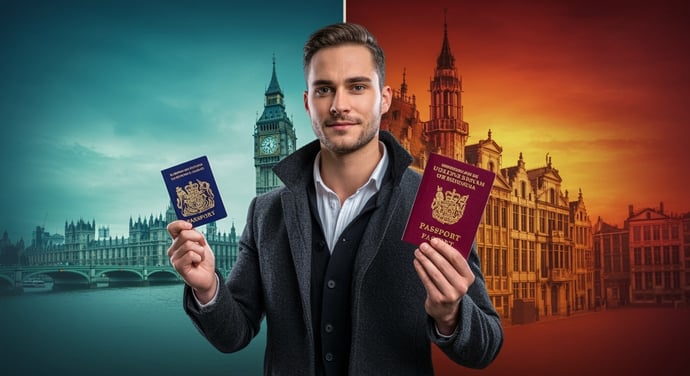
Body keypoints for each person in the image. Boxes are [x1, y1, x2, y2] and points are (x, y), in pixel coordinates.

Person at [167, 22, 503, 375]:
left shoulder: (438, 198)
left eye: (357, 87)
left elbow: (486, 347)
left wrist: (452, 315)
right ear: (308, 103)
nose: (340, 105)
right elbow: (233, 334)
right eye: (325, 89)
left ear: (384, 98)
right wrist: (207, 289)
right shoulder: (266, 212)